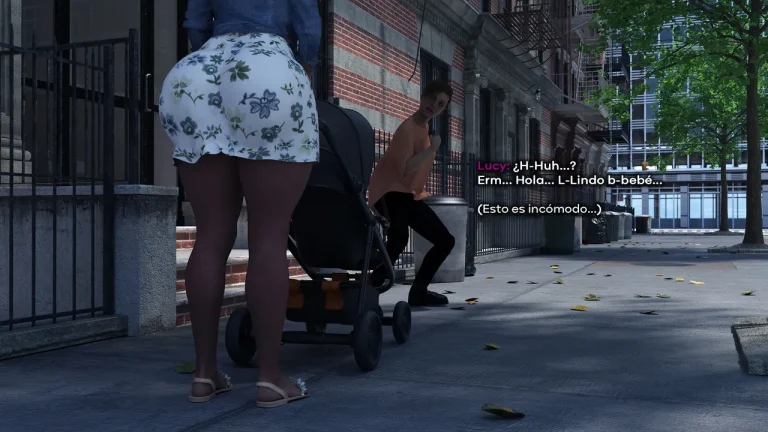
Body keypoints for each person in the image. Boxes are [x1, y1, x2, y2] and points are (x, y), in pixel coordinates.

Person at [158, 0, 321, 408]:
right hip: (267, 73)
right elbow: (309, 29)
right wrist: (305, 67)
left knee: (210, 236)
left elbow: (195, 24)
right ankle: (270, 378)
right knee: (269, 237)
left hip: (197, 76)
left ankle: (204, 374)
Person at [368, 80, 456, 307]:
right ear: (423, 97)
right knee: (401, 239)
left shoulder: (423, 127)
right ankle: (369, 290)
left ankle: (412, 291)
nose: (434, 105)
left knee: (440, 241)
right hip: (390, 192)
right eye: (432, 99)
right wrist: (432, 149)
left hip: (404, 194)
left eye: (441, 104)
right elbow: (405, 169)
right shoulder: (408, 129)